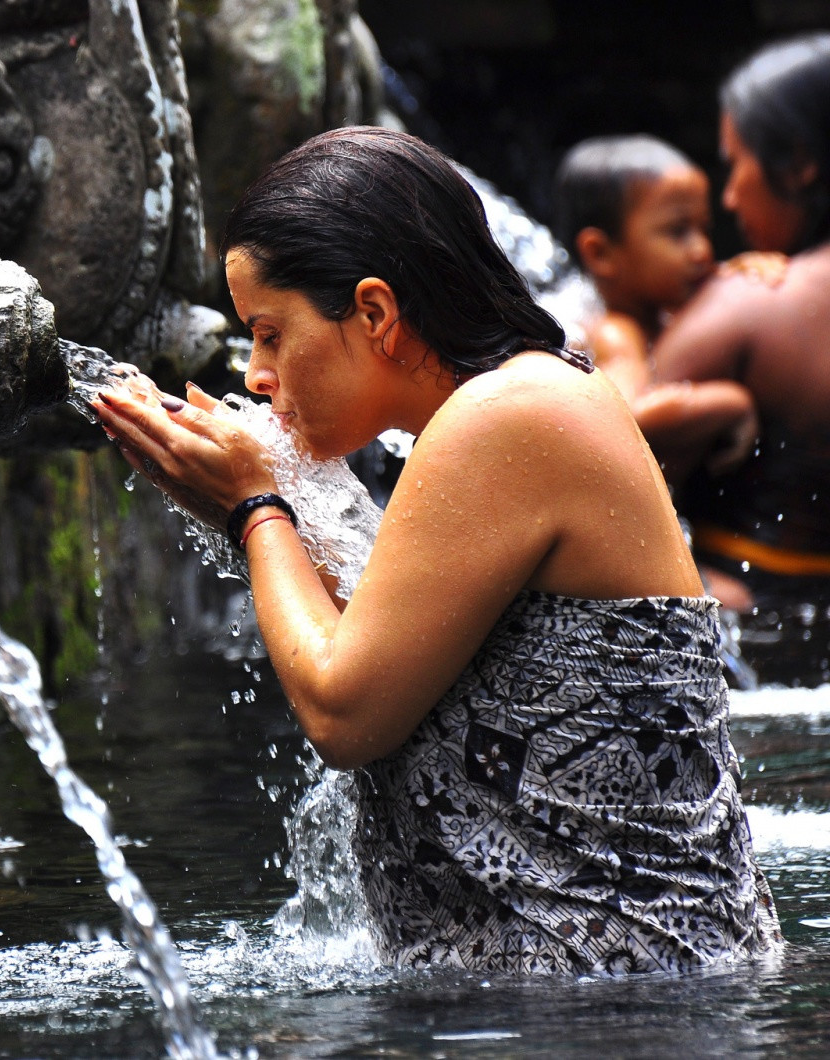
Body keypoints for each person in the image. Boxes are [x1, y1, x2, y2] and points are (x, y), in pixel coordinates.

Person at [92, 126, 779, 976]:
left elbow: (345, 711)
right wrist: (240, 503)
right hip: (602, 985)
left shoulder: (508, 417)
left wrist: (254, 509)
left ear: (376, 312)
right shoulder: (510, 404)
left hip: (616, 998)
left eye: (271, 333)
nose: (258, 375)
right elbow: (396, 655)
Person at [650, 34, 830, 680]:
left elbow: (585, 465)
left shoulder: (750, 305)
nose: (729, 199)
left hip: (740, 640)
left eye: (736, 165)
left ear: (801, 162)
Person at [553, 135, 765, 609]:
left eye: (704, 229)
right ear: (601, 254)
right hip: (597, 543)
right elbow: (631, 417)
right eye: (678, 232)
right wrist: (733, 402)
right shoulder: (612, 331)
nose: (702, 251)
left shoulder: (660, 312)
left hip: (637, 530)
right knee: (734, 604)